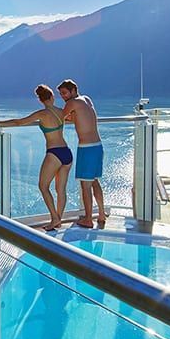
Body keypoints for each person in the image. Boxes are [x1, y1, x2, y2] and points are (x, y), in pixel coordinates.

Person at [0, 85, 73, 231]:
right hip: (66, 152)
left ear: (40, 100)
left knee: (43, 186)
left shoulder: (42, 114)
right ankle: (58, 218)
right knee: (61, 189)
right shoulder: (61, 112)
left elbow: (19, 122)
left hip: (54, 153)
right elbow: (72, 118)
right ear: (52, 97)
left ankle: (55, 218)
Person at [57, 79, 107, 228]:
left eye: (65, 93)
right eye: (61, 94)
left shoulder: (72, 103)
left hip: (87, 148)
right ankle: (102, 214)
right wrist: (71, 117)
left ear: (73, 90)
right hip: (98, 146)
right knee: (94, 181)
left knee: (85, 186)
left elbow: (59, 117)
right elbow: (79, 117)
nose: (63, 97)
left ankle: (88, 219)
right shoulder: (86, 99)